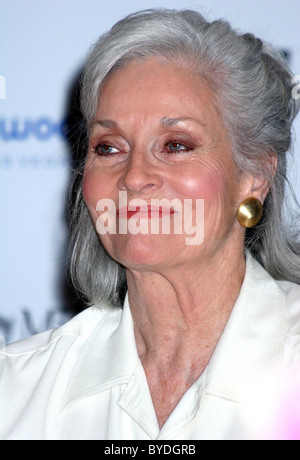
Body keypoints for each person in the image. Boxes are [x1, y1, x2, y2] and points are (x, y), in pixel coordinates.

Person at [1, 8, 300, 440]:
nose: (135, 176)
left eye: (175, 145)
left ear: (254, 175)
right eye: (109, 147)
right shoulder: (16, 390)